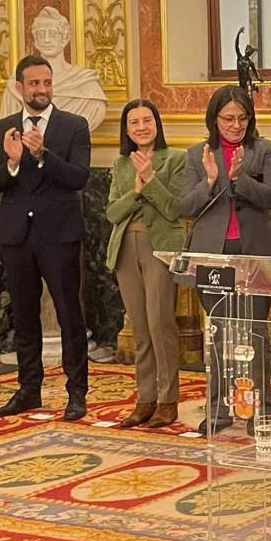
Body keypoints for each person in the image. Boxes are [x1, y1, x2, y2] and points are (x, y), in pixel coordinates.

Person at [0, 54, 91, 420]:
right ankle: (29, 389)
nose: (41, 89)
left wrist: (43, 155)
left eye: (46, 83)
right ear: (20, 88)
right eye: (34, 84)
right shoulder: (3, 129)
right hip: (16, 236)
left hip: (59, 235)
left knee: (69, 315)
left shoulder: (73, 125)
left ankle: (77, 393)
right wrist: (12, 162)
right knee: (25, 317)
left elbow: (79, 177)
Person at [177, 85, 271, 435]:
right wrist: (210, 180)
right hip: (214, 254)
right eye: (228, 119)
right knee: (220, 334)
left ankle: (259, 410)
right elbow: (185, 206)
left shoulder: (263, 150)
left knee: (255, 334)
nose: (236, 125)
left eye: (242, 118)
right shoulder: (197, 154)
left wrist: (240, 178)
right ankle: (219, 410)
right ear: (214, 119)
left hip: (255, 252)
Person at [105, 99, 186, 428]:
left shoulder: (176, 159)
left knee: (159, 323)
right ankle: (146, 398)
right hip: (126, 247)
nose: (141, 127)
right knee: (139, 327)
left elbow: (174, 209)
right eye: (134, 122)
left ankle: (168, 400)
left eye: (147, 120)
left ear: (157, 124)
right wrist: (136, 192)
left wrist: (150, 180)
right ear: (126, 130)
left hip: (160, 248)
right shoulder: (121, 163)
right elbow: (112, 212)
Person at [0, 6, 107, 131]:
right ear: (35, 39)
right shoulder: (15, 87)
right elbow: (7, 128)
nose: (46, 39)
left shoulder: (85, 83)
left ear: (65, 38)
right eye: (41, 34)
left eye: (53, 33)